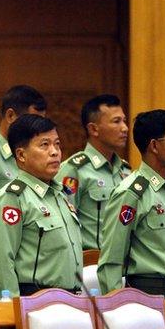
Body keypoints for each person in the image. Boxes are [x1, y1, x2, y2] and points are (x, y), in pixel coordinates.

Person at [97, 109, 165, 298]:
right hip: (148, 295)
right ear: (154, 146)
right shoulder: (131, 193)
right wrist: (116, 309)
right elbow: (112, 260)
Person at [0, 114, 81, 296]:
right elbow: (2, 262)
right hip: (34, 301)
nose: (54, 152)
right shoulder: (12, 197)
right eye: (44, 145)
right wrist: (11, 311)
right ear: (21, 155)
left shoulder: (60, 194)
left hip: (72, 299)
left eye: (57, 144)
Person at [56, 94, 132, 250]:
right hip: (90, 266)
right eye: (116, 121)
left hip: (124, 265)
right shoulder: (75, 170)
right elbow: (62, 223)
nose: (125, 128)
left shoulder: (125, 170)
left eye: (124, 121)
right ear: (93, 129)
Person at [0, 85, 47, 218]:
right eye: (32, 120)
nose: (38, 128)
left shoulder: (36, 152)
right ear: (11, 116)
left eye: (41, 121)